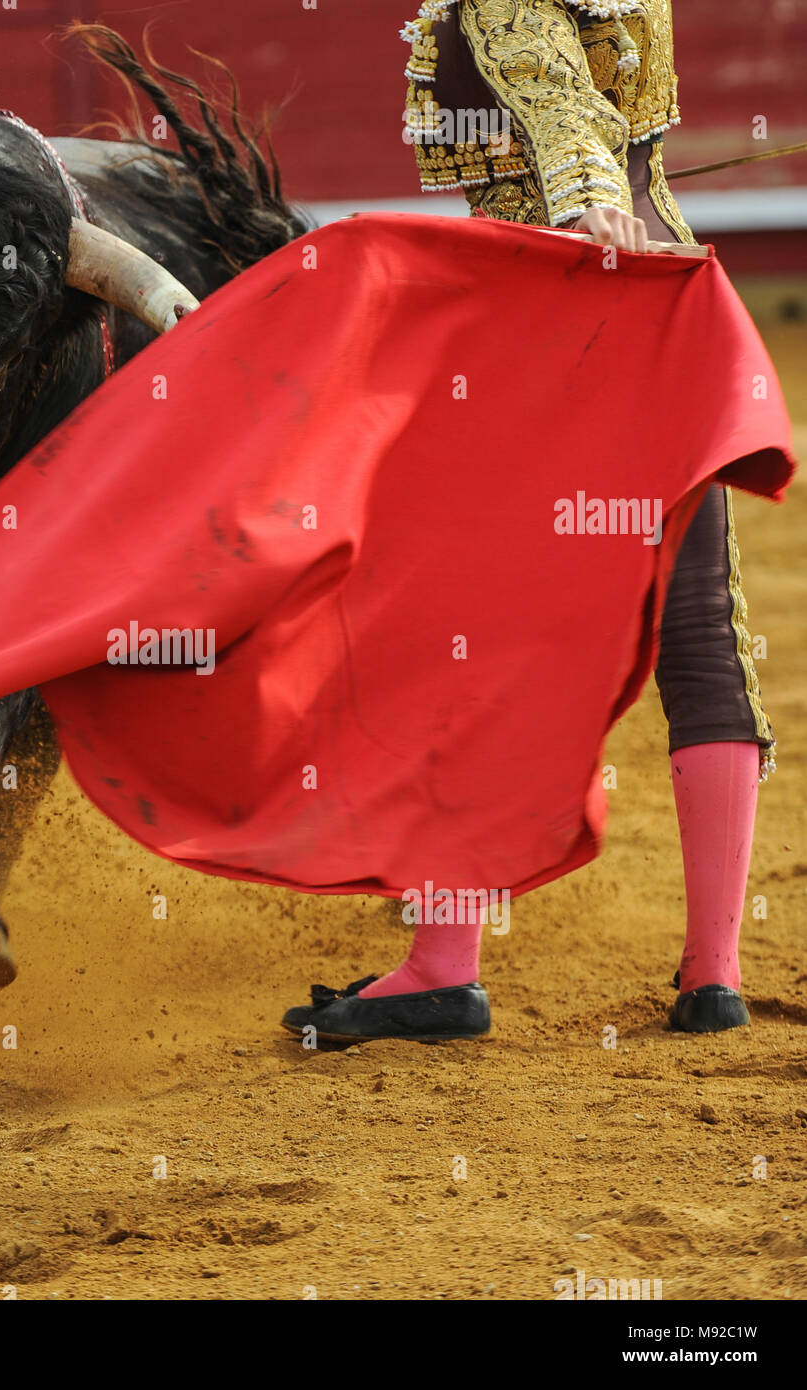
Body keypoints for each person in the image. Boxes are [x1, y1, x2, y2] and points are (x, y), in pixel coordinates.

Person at [282, 0, 773, 1044]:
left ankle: (441, 967)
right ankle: (714, 975)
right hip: (670, 298)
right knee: (700, 638)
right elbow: (592, 106)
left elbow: (553, 100)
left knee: (465, 641)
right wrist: (619, 195)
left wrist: (590, 201)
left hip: (547, 305)